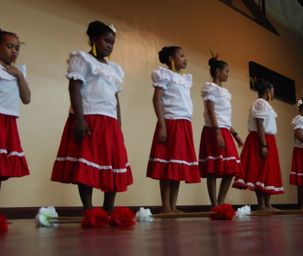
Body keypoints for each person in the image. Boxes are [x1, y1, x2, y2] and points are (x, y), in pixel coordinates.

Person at [51, 21, 133, 213]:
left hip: (110, 121)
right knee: (86, 164)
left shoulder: (115, 69)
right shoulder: (81, 59)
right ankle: (89, 209)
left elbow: (115, 97)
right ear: (94, 39)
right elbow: (74, 87)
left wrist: (118, 124)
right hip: (89, 117)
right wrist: (79, 119)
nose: (110, 45)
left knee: (112, 164)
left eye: (113, 42)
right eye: (106, 41)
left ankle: (108, 209)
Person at [147, 46, 200, 214]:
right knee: (167, 164)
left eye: (186, 56)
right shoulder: (164, 75)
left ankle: (173, 205)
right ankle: (165, 206)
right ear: (171, 58)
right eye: (182, 56)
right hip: (170, 123)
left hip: (184, 125)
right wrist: (162, 125)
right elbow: (156, 100)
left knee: (177, 165)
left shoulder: (185, 79)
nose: (185, 59)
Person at [199, 56, 243, 206]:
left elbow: (225, 118)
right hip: (213, 130)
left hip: (224, 130)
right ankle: (214, 204)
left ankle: (221, 201)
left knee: (231, 169)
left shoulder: (224, 92)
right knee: (212, 169)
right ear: (218, 71)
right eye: (226, 71)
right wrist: (217, 132)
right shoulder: (210, 88)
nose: (228, 74)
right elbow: (211, 112)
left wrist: (235, 134)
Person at [233, 80, 283, 211]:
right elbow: (260, 124)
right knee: (260, 171)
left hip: (268, 139)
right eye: (272, 90)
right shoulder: (260, 103)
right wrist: (264, 145)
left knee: (268, 171)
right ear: (267, 91)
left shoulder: (266, 104)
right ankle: (261, 204)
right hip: (261, 139)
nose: (273, 92)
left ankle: (267, 204)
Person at [0, 28, 31, 189]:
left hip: (9, 121)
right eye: (9, 46)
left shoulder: (18, 71)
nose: (14, 51)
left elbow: (26, 99)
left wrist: (19, 75)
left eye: (17, 48)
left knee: (2, 170)